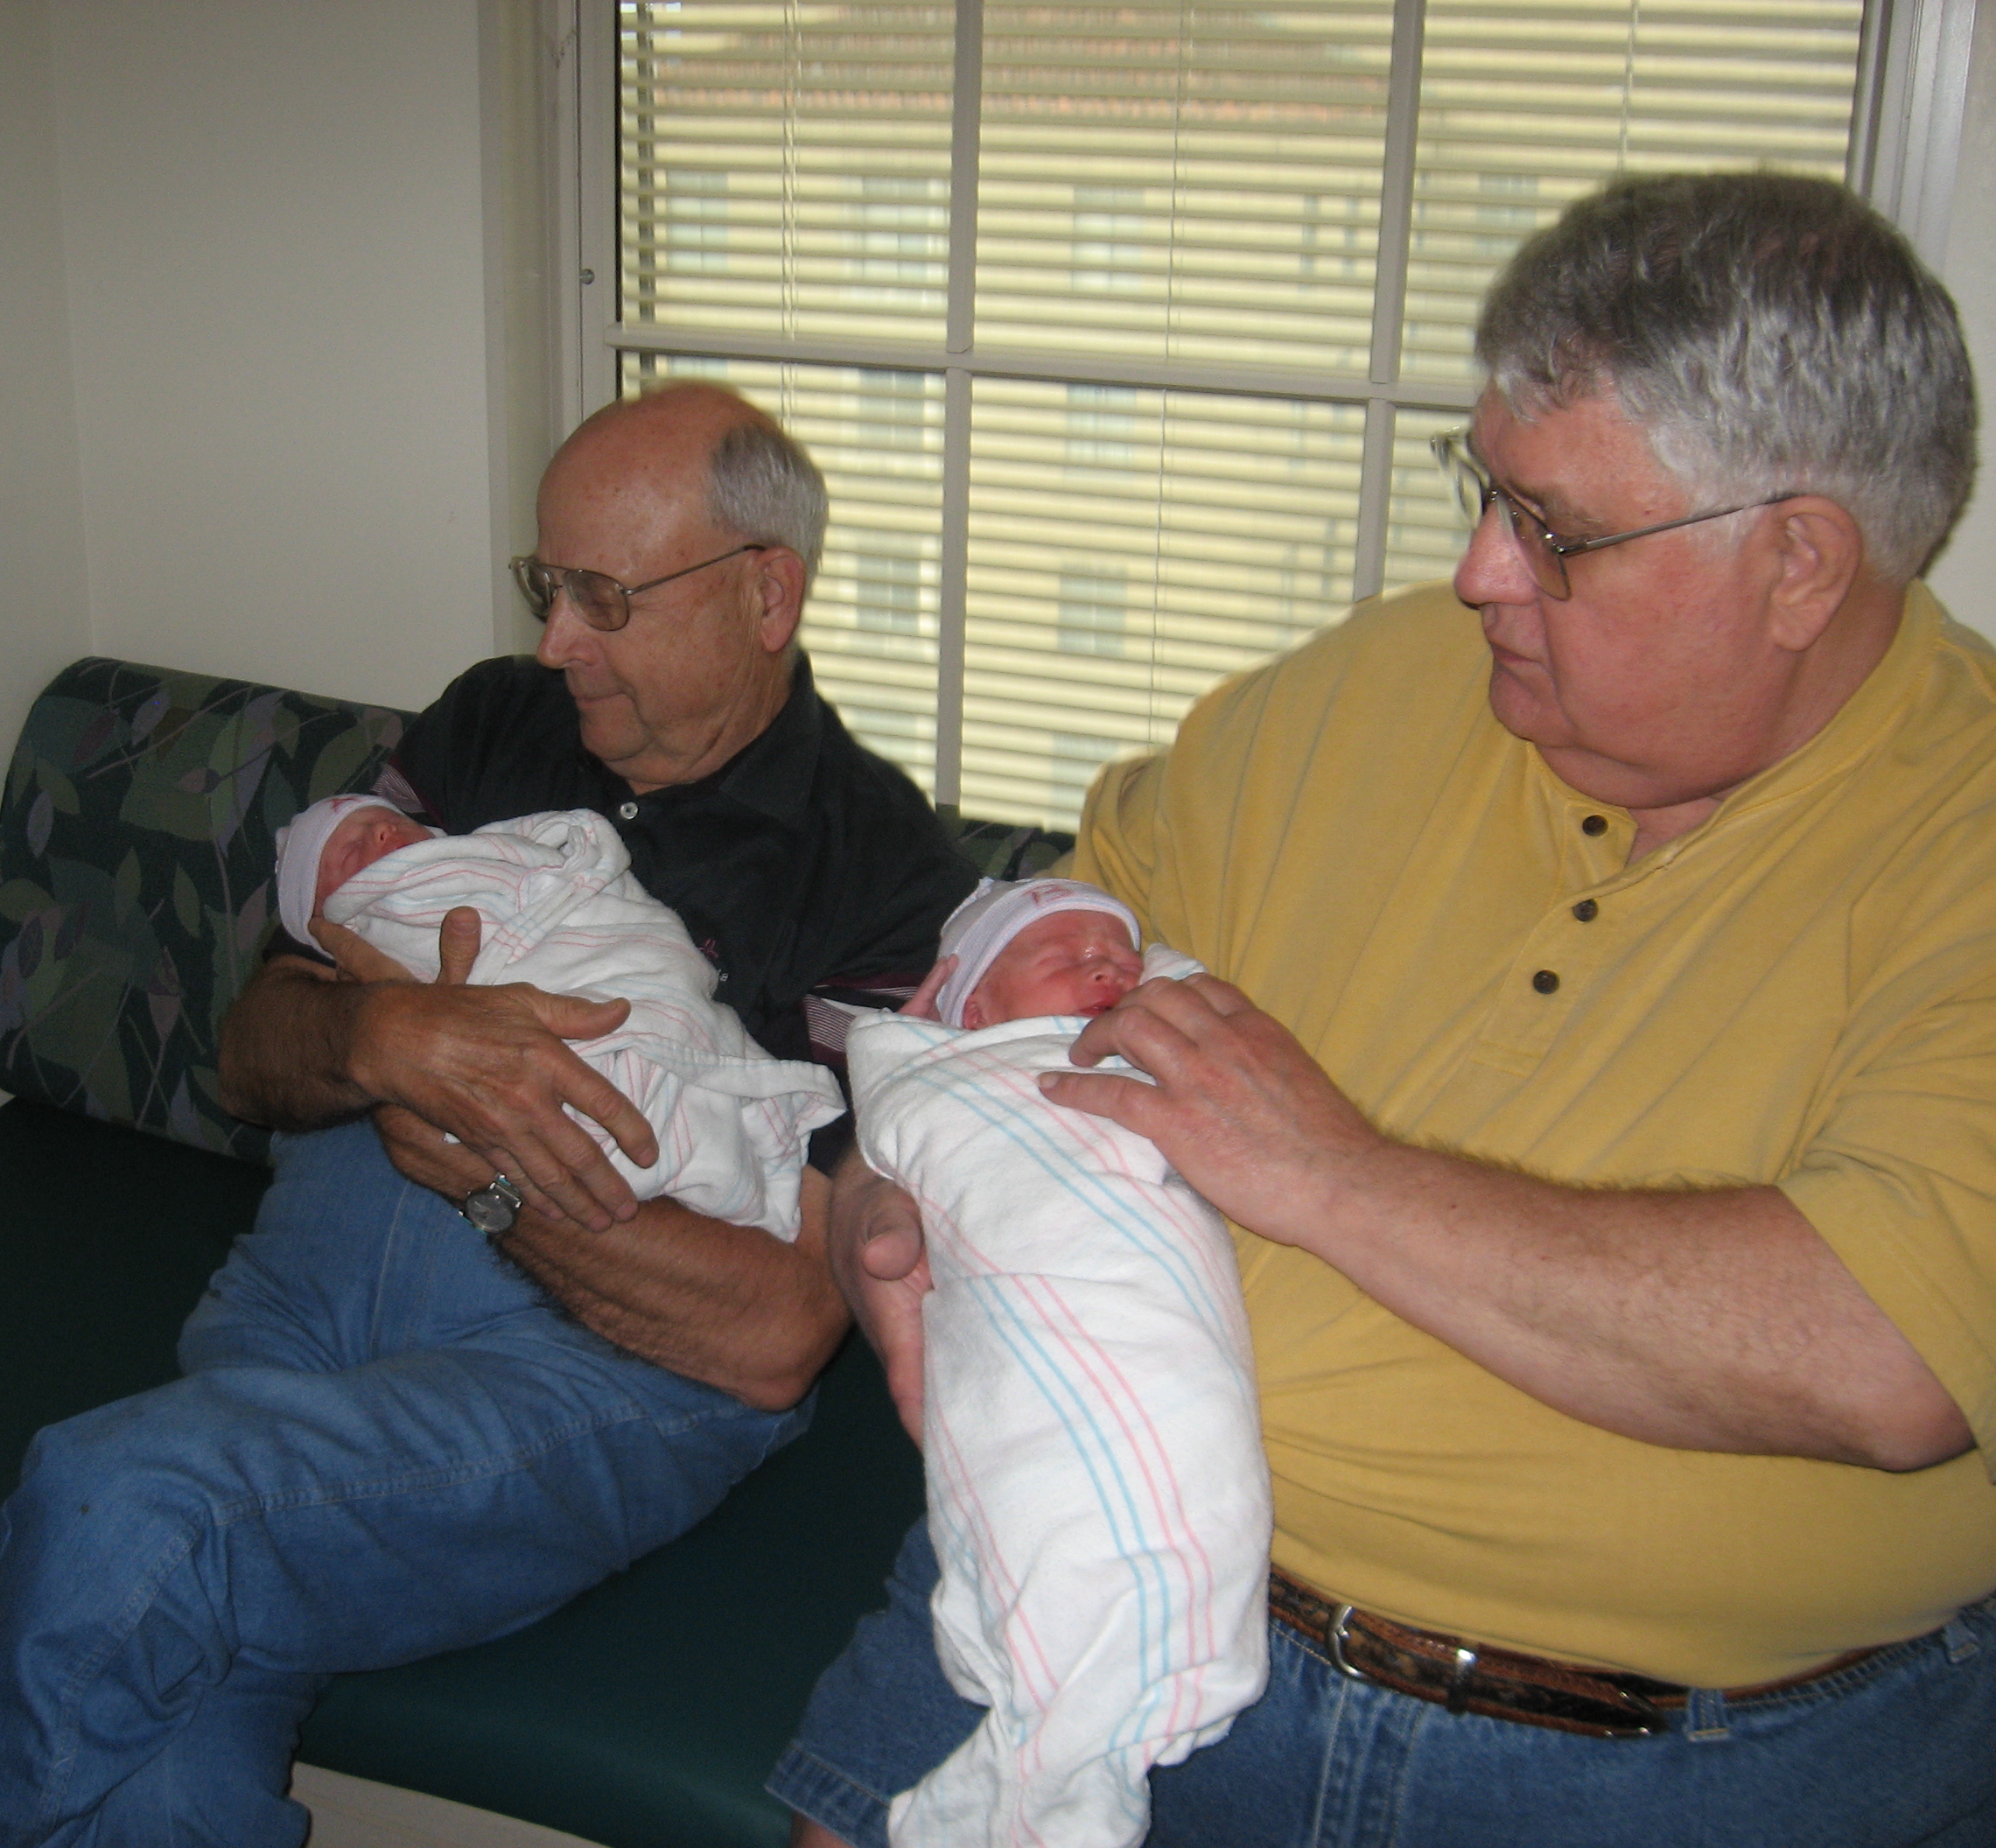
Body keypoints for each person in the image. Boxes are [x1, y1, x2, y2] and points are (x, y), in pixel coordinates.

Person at [774, 171, 1996, 1848]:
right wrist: (889, 1198)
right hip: (1089, 1579)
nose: (1478, 571)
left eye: (1552, 529)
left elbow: (1888, 1354)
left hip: (1673, 1766)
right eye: (1482, 487)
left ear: (1797, 565)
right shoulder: (1364, 687)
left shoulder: (1967, 832)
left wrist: (1330, 1173)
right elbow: (1005, 992)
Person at [0, 382, 978, 1846]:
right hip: (298, 1296)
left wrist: (485, 1165)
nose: (557, 641)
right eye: (547, 585)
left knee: (126, 1506)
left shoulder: (886, 876)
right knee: (166, 1763)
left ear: (766, 593)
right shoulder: (493, 720)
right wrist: (379, 1034)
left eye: (605, 598)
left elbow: (779, 1336)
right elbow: (250, 1056)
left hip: (590, 1373)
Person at [847, 878, 1267, 1848]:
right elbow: (892, 1107)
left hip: (1154, 1329)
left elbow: (1199, 1002)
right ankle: (1061, 1770)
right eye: (1063, 954)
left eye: (1121, 956)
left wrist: (1150, 981)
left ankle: (1048, 1766)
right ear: (973, 1010)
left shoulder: (1150, 1062)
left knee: (1187, 1472)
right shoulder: (955, 1078)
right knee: (1067, 1501)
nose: (1105, 966)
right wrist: (904, 1052)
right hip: (1029, 1345)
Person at [270, 791, 843, 1235]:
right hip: (345, 1218)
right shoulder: (364, 932)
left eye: (382, 821)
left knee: (652, 1078)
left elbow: (573, 866)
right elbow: (249, 1056)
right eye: (350, 852)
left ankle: (719, 1147)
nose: (380, 833)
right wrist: (395, 1023)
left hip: (612, 990)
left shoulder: (839, 847)